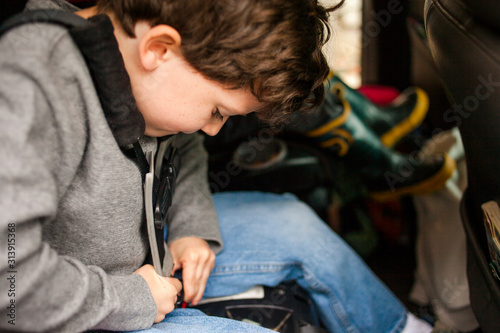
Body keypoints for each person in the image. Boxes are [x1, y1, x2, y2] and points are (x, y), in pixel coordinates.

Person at [0, 0, 432, 332]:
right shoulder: (35, 84)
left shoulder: (148, 78)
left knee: (292, 224)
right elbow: (11, 290)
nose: (212, 130)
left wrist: (190, 227)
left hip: (149, 256)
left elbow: (181, 150)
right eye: (216, 111)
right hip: (79, 305)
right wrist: (129, 298)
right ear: (159, 49)